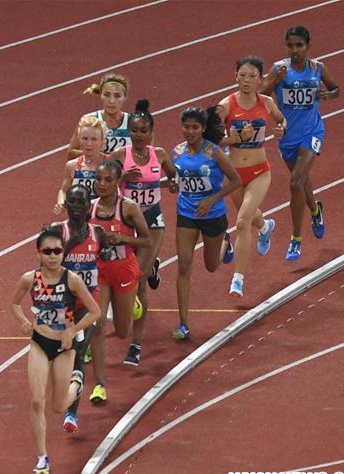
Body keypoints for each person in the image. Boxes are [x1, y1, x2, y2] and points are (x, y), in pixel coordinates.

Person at [10, 226, 101, 474]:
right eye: (47, 251)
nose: (52, 256)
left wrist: (73, 331)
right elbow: (14, 303)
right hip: (40, 342)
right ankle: (42, 457)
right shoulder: (29, 279)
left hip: (64, 348)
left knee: (59, 407)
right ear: (38, 253)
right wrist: (23, 321)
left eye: (57, 251)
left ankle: (77, 385)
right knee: (37, 401)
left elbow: (95, 312)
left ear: (64, 253)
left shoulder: (72, 279)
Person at [262, 25, 340, 261]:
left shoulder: (318, 68)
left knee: (296, 182)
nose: (294, 50)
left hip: (312, 132)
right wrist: (274, 79)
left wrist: (326, 95)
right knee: (302, 180)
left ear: (308, 46)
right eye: (290, 45)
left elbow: (336, 89)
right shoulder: (279, 69)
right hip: (288, 137)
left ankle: (295, 240)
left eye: (299, 45)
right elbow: (261, 96)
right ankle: (316, 210)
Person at [108, 99, 177, 366]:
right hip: (127, 222)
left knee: (137, 279)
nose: (138, 135)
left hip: (152, 220)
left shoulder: (159, 154)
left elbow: (174, 177)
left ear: (151, 133)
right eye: (134, 130)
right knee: (139, 281)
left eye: (143, 130)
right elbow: (102, 184)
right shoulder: (118, 157)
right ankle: (152, 267)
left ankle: (135, 345)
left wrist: (173, 184)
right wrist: (122, 179)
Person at [171, 106, 242, 340]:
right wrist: (174, 186)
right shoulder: (177, 152)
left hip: (212, 215)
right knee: (183, 266)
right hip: (186, 214)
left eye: (194, 127)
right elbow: (177, 182)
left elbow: (235, 181)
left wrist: (212, 199)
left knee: (212, 266)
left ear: (202, 128)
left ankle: (225, 242)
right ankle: (183, 324)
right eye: (186, 127)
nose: (189, 131)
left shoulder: (214, 153)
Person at [218, 55, 286, 297]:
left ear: (260, 79)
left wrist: (281, 129)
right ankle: (266, 226)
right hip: (235, 174)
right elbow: (211, 139)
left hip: (260, 172)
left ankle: (238, 279)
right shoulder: (226, 105)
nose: (246, 80)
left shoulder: (266, 103)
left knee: (242, 222)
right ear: (236, 76)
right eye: (242, 75)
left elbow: (281, 120)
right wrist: (236, 139)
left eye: (252, 76)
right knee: (250, 217)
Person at [89, 160, 152, 367]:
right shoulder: (90, 208)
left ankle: (134, 301)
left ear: (118, 181)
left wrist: (123, 239)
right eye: (98, 179)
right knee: (97, 324)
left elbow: (147, 240)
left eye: (108, 179)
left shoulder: (128, 207)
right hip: (100, 270)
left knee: (123, 331)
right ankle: (97, 375)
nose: (102, 184)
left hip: (124, 268)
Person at [54, 185, 103, 432]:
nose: (73, 205)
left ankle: (71, 414)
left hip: (87, 302)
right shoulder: (57, 232)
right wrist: (71, 243)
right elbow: (46, 266)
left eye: (78, 202)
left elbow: (106, 259)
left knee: (79, 351)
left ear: (87, 207)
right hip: (62, 303)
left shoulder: (98, 233)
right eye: (70, 201)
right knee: (63, 355)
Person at [67, 74, 131, 159]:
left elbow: (145, 154)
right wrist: (96, 153)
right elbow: (71, 154)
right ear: (100, 95)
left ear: (124, 97)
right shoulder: (89, 120)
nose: (111, 101)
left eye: (117, 96)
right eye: (107, 95)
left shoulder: (133, 122)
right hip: (96, 171)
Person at [54, 116, 107, 215]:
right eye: (85, 138)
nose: (89, 144)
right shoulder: (71, 166)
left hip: (103, 218)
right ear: (79, 139)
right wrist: (61, 202)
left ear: (102, 141)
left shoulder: (110, 164)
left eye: (94, 139)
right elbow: (63, 190)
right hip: (78, 217)